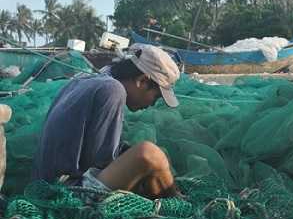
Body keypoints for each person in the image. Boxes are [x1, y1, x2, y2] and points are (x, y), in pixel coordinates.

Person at [32, 43, 181, 199]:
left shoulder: (85, 81)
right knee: (150, 154)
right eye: (156, 97)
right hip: (64, 194)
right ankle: (177, 205)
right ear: (142, 80)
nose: (152, 104)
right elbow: (100, 163)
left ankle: (169, 200)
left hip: (46, 185)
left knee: (154, 159)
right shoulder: (112, 90)